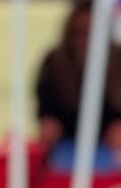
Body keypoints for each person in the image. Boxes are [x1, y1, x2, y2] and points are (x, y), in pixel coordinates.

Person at [35, 0, 121, 159]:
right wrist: (48, 124)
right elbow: (45, 105)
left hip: (111, 145)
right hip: (66, 140)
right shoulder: (54, 62)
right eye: (79, 32)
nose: (85, 40)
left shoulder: (117, 59)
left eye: (91, 33)